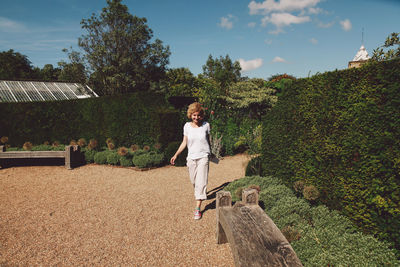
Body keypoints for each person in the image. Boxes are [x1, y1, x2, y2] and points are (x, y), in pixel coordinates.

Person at [170, 102, 211, 220]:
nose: (196, 118)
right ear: (190, 115)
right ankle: (200, 191)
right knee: (194, 181)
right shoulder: (187, 126)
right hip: (191, 157)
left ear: (202, 116)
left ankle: (198, 208)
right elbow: (184, 142)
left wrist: (211, 152)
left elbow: (208, 140)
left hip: (204, 156)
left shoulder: (206, 125)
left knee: (201, 181)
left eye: (198, 115)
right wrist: (176, 155)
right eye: (194, 115)